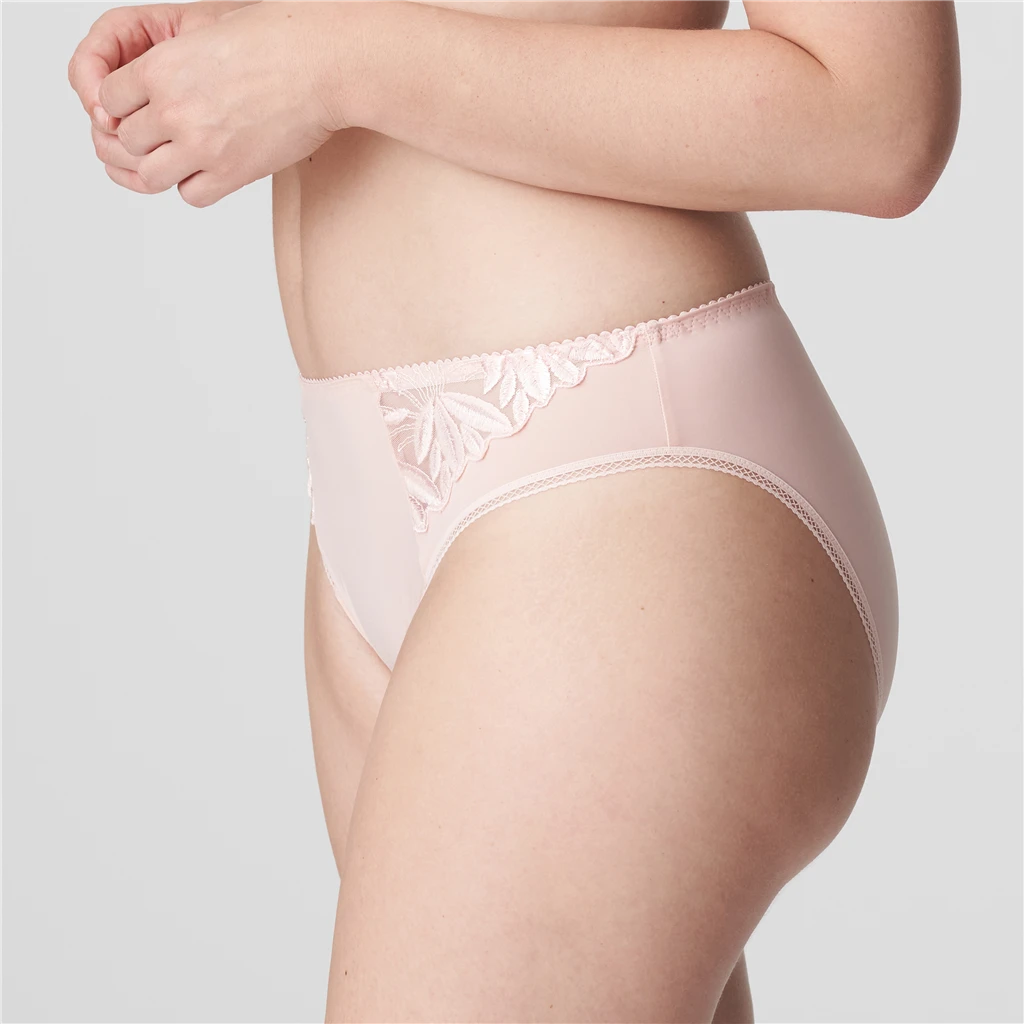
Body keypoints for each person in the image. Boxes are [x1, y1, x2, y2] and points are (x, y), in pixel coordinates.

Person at [68, 1, 961, 1020]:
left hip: (613, 469)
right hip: (386, 506)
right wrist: (227, 45)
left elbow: (878, 120)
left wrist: (331, 61)